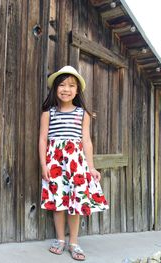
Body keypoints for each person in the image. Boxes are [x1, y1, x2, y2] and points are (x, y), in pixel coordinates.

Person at [39, 66, 109, 261]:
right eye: (62, 85)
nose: (66, 89)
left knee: (75, 203)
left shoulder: (82, 113)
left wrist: (91, 166)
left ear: (77, 91)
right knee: (59, 203)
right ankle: (60, 239)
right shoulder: (48, 113)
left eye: (71, 85)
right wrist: (44, 166)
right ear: (55, 88)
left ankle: (74, 242)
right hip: (55, 163)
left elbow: (86, 141)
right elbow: (43, 140)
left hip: (76, 164)